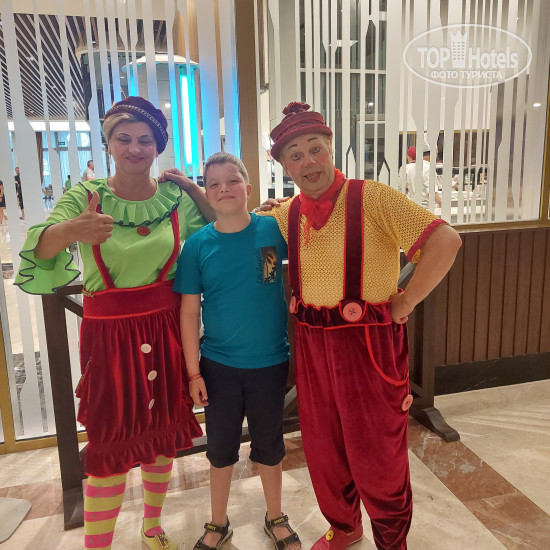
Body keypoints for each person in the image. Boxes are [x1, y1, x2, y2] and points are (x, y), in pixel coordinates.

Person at [257, 102, 462, 550]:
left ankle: (391, 541)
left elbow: (446, 241)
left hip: (368, 345)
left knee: (377, 452)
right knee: (323, 447)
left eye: (315, 149)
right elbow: (243, 237)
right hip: (312, 344)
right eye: (295, 155)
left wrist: (406, 301)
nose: (308, 162)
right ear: (285, 166)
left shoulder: (374, 197)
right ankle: (346, 528)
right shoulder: (285, 213)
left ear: (331, 149)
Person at [15, 96, 215, 550]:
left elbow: (218, 224)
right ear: (108, 144)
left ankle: (152, 527)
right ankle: (98, 545)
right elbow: (39, 248)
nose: (134, 148)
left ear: (158, 146)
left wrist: (192, 186)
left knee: (162, 434)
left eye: (145, 140)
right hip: (108, 338)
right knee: (110, 441)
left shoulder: (173, 198)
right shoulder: (84, 197)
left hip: (167, 330)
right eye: (123, 139)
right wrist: (71, 231)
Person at [173, 152, 301, 550]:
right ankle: (218, 521)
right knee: (220, 449)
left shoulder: (273, 230)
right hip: (218, 367)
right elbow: (189, 312)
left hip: (271, 363)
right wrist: (193, 372)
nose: (224, 189)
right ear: (207, 193)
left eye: (232, 181)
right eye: (214, 184)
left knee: (271, 446)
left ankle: (275, 515)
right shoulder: (197, 246)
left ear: (248, 186)